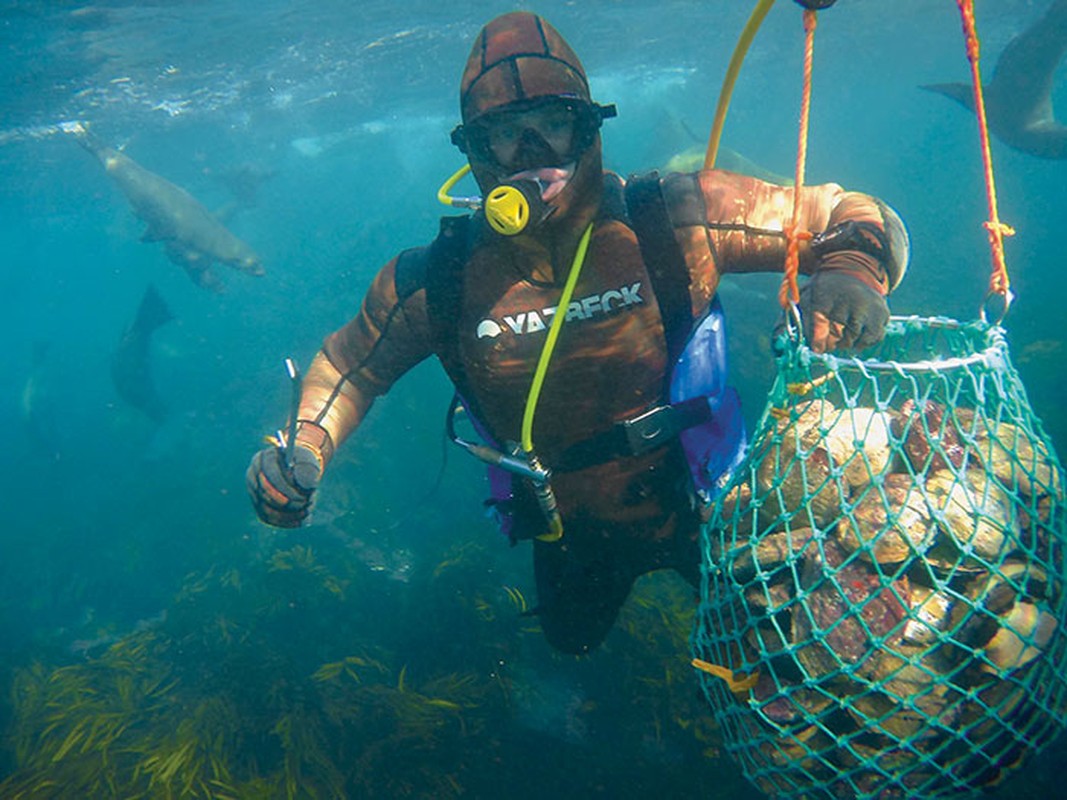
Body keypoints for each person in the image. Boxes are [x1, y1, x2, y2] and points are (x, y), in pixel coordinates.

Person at [247, 11, 909, 655]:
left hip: (707, 508)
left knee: (778, 648)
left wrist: (851, 270)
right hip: (565, 530)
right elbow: (348, 368)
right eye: (508, 135)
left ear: (588, 128)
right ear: (476, 152)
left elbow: (847, 210)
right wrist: (304, 447)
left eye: (554, 125)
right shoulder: (438, 281)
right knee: (571, 643)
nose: (533, 156)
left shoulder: (678, 219)